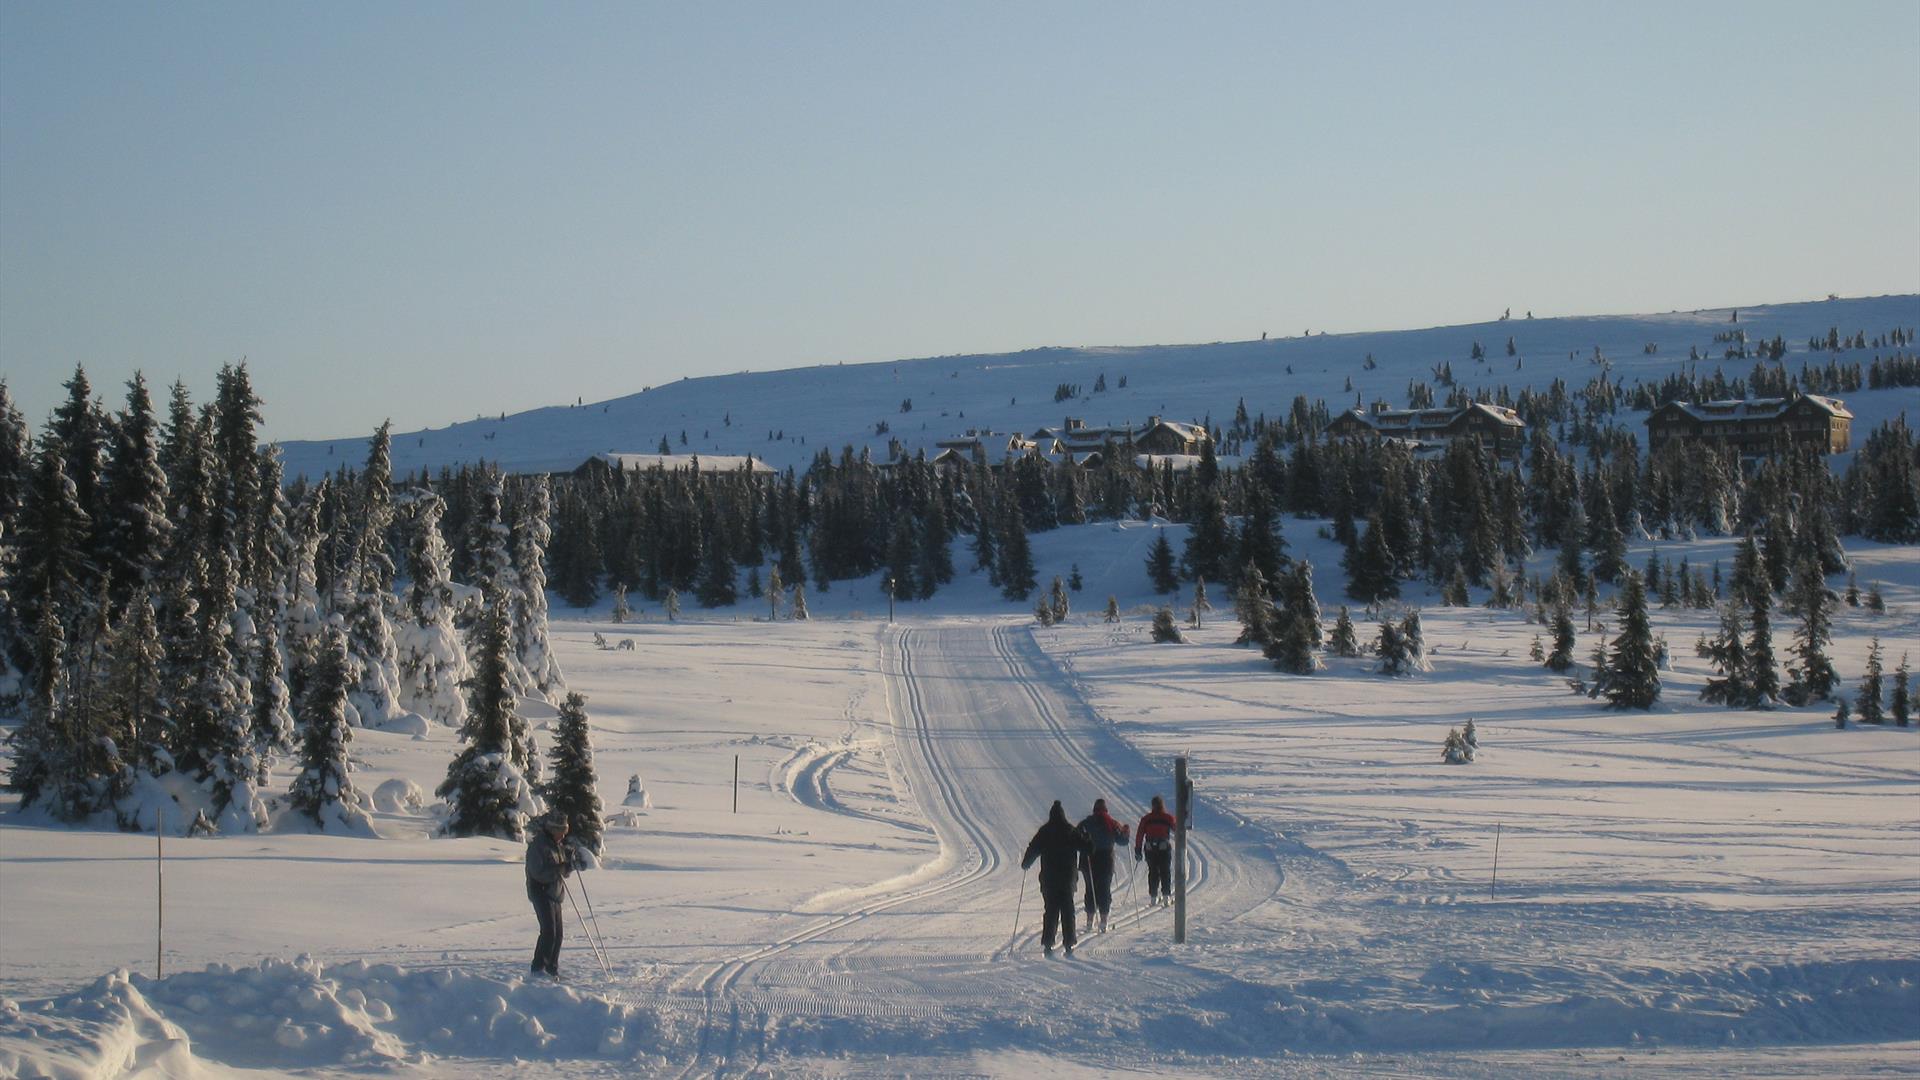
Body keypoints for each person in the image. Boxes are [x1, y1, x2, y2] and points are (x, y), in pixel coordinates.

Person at [1021, 800, 1093, 958]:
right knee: (1068, 910)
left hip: (1049, 879)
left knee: (1051, 910)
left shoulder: (1044, 831)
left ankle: (1048, 943)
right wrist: (1087, 838)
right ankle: (1069, 943)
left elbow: (1033, 848)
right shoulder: (1070, 830)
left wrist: (1026, 863)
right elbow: (1088, 848)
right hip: (1068, 878)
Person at [525, 811, 574, 976]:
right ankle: (539, 969)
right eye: (561, 831)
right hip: (541, 891)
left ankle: (552, 969)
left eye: (564, 832)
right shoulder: (538, 846)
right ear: (552, 829)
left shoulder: (556, 845)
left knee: (558, 934)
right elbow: (538, 873)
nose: (563, 835)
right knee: (549, 932)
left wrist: (569, 865)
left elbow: (561, 871)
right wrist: (559, 869)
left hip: (555, 893)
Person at [1076, 798, 1130, 932]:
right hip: (1106, 860)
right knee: (1104, 890)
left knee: (1090, 889)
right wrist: (1126, 833)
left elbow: (1076, 838)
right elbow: (1122, 841)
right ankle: (1104, 921)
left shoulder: (1086, 823)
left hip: (1088, 860)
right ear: (1106, 810)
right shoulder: (1112, 823)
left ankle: (1089, 921)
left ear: (1094, 809)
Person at [1135, 795, 1177, 908]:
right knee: (1165, 871)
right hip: (1164, 847)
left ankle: (1153, 896)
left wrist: (1137, 850)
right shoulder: (1167, 818)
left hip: (1150, 848)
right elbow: (1176, 828)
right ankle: (1166, 897)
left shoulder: (1146, 819)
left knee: (1153, 871)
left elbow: (1139, 835)